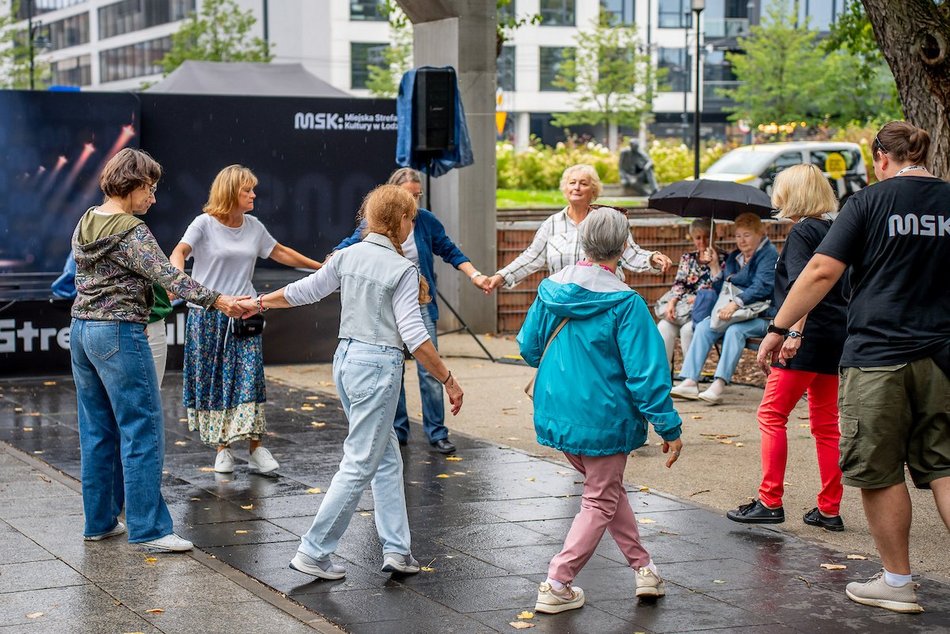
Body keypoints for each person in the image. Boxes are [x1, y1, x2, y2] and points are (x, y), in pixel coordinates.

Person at [757, 121, 949, 614]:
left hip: (879, 355)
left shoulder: (867, 203)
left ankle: (897, 582)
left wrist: (779, 328)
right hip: (944, 357)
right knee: (946, 466)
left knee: (878, 469)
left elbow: (821, 270)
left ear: (881, 157)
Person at [237, 184, 464, 579]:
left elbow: (304, 291)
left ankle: (397, 549)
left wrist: (257, 302)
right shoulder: (402, 269)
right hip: (377, 366)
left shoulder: (347, 255)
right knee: (360, 462)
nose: (414, 223)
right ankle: (313, 551)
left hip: (345, 362)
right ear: (402, 221)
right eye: (411, 217)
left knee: (385, 457)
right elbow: (414, 334)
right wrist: (448, 378)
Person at [70, 148, 245, 552]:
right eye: (149, 188)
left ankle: (98, 522)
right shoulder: (130, 229)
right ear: (130, 185)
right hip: (118, 333)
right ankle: (149, 529)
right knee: (142, 428)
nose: (154, 197)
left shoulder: (87, 221)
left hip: (82, 332)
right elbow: (169, 276)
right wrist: (219, 300)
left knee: (97, 431)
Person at [517, 207, 683, 614]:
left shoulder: (550, 289)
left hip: (558, 410)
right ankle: (557, 581)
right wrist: (669, 426)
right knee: (600, 499)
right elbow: (646, 374)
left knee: (604, 491)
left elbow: (528, 347)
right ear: (624, 247)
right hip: (605, 417)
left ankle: (644, 568)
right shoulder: (626, 304)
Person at [170, 165, 322, 475]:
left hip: (245, 313)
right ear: (230, 193)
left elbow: (280, 252)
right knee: (214, 380)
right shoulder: (204, 224)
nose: (253, 195)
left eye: (252, 189)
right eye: (247, 190)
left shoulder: (253, 226)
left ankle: (255, 447)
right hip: (208, 315)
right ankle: (222, 448)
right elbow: (180, 251)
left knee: (250, 379)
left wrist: (320, 268)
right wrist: (177, 278)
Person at [333, 167, 491, 454]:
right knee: (394, 370)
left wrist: (475, 275)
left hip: (420, 304)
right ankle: (398, 429)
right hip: (388, 306)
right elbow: (345, 248)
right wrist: (327, 267)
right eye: (409, 196)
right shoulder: (374, 225)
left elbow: (450, 250)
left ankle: (437, 432)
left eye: (418, 195)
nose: (414, 202)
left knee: (429, 369)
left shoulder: (425, 221)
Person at [726, 164, 847, 530]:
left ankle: (770, 500)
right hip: (835, 335)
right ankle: (829, 508)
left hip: (805, 337)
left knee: (771, 415)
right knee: (827, 426)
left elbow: (801, 286)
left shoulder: (803, 231)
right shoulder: (835, 230)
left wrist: (792, 332)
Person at [486, 164, 672, 291]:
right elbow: (530, 258)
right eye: (572, 182)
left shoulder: (608, 221)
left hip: (601, 300)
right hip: (563, 302)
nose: (577, 187)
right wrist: (501, 276)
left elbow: (630, 253)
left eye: (583, 183)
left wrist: (652, 258)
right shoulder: (551, 224)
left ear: (594, 191)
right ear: (565, 189)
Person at [670, 212, 777, 404]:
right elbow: (723, 289)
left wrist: (736, 303)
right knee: (704, 326)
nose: (741, 241)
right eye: (738, 236)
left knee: (735, 331)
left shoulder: (769, 255)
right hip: (736, 313)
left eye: (747, 235)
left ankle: (718, 384)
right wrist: (714, 268)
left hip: (764, 316)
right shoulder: (735, 257)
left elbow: (763, 286)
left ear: (760, 233)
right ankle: (690, 381)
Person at [655, 218, 726, 369]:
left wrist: (714, 266)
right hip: (683, 308)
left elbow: (722, 288)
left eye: (707, 236)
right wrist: (672, 303)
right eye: (698, 238)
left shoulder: (724, 258)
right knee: (663, 326)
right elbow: (679, 283)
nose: (702, 241)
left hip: (704, 311)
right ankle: (663, 376)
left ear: (714, 236)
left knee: (687, 330)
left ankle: (690, 376)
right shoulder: (688, 258)